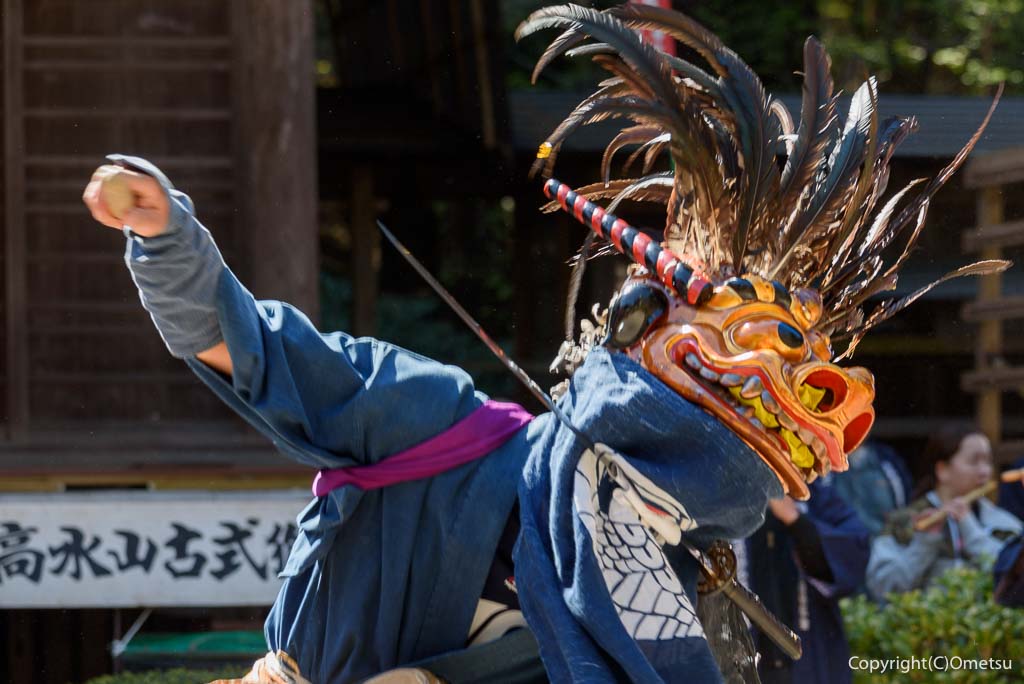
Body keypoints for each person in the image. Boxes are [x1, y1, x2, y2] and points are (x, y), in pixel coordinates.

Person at [81, 4, 1004, 682]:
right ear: (644, 331)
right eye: (745, 343)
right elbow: (255, 353)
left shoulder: (680, 576)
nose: (767, 380)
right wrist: (167, 241)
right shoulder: (432, 425)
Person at [866, 425, 1022, 600]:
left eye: (987, 462)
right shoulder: (904, 521)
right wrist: (924, 544)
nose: (985, 471)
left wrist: (970, 530)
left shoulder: (1005, 523)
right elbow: (883, 588)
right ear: (942, 470)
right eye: (974, 462)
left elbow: (1014, 581)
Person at [740, 482, 869, 684]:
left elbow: (855, 549)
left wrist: (795, 520)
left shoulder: (811, 492)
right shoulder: (727, 495)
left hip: (810, 649)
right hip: (745, 653)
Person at [831, 440, 913, 537]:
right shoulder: (836, 467)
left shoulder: (882, 454)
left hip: (892, 524)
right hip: (858, 533)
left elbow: (900, 483)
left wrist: (900, 511)